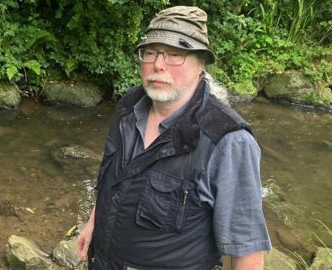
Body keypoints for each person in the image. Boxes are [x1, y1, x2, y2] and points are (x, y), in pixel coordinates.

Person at [76, 5, 272, 270]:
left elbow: (246, 251)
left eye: (175, 54)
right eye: (150, 53)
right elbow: (110, 176)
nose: (158, 64)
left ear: (201, 63)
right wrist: (93, 223)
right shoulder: (128, 106)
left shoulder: (228, 141)